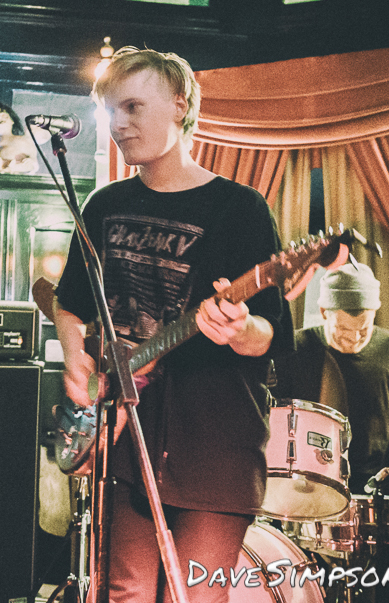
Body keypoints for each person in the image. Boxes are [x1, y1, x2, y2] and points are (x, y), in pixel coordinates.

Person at [51, 46, 294, 602]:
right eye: (110, 110)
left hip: (215, 444)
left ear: (180, 105)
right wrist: (75, 359)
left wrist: (238, 329)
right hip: (123, 439)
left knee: (196, 596)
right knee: (125, 592)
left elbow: (270, 334)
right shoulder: (104, 205)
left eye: (133, 107)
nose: (117, 123)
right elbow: (70, 303)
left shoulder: (241, 208)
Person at [272, 262, 389, 603]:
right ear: (323, 311)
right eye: (344, 329)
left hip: (377, 485)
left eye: (364, 328)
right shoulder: (294, 348)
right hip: (306, 485)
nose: (355, 337)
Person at [0, 102, 41, 174]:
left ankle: (8, 167)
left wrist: (30, 164)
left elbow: (34, 161)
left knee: (29, 165)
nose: (0, 118)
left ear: (12, 120)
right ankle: (1, 166)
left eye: (4, 116)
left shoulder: (24, 140)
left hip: (18, 167)